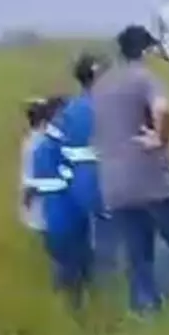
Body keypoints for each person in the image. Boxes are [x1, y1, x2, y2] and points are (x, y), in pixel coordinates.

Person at [92, 24, 169, 314]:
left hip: (114, 185)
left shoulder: (101, 86)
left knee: (138, 257)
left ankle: (147, 311)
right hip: (153, 181)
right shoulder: (144, 78)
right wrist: (160, 139)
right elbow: (163, 110)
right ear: (145, 50)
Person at [47, 53, 118, 281]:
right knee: (109, 238)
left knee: (80, 237)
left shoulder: (68, 111)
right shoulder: (111, 107)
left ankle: (78, 288)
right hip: (106, 177)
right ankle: (108, 290)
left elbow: (53, 149)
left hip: (76, 180)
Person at [26, 95, 94, 309]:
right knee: (76, 266)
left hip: (54, 216)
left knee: (66, 264)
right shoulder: (55, 148)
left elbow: (34, 186)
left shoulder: (38, 148)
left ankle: (69, 307)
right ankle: (78, 309)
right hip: (69, 215)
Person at [19, 98, 53, 232]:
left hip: (42, 204)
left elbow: (29, 180)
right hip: (48, 204)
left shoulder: (30, 143)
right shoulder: (46, 142)